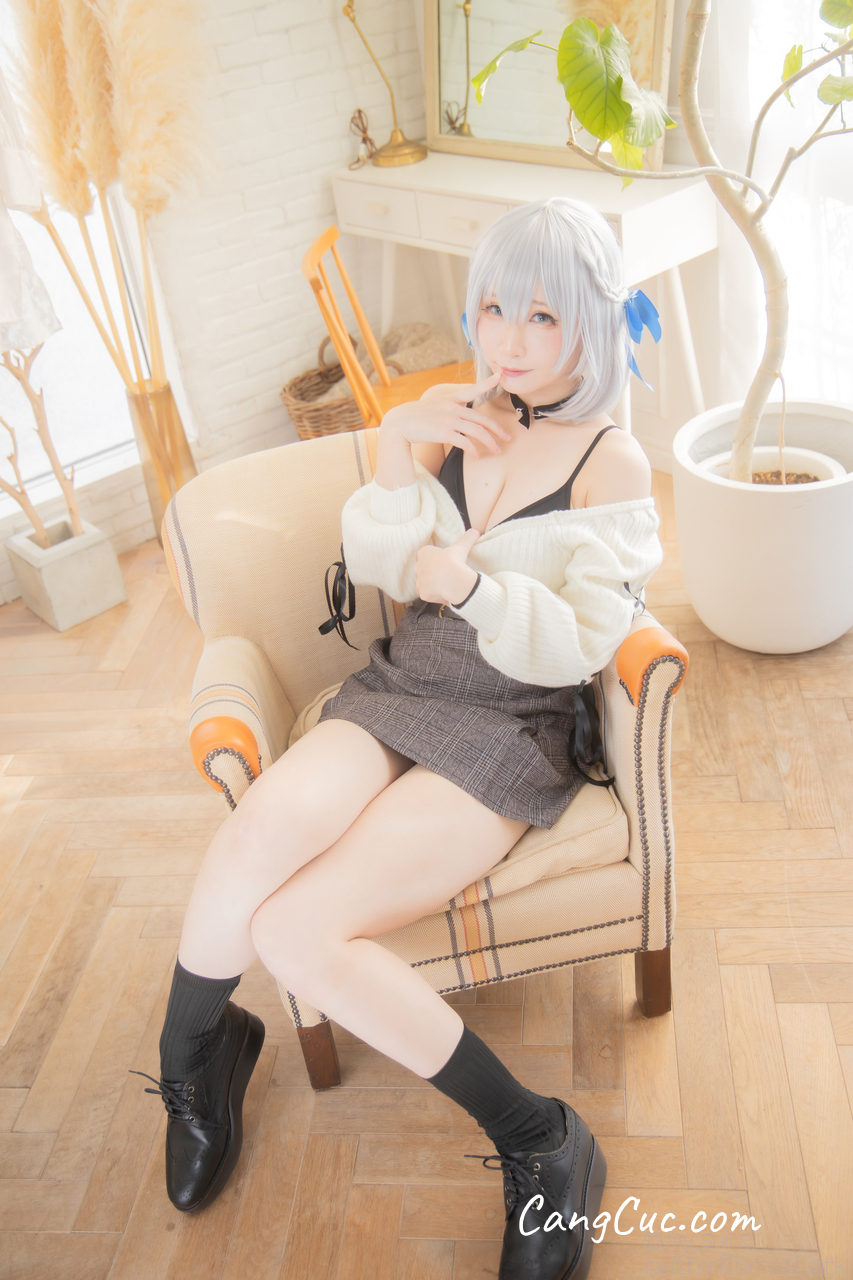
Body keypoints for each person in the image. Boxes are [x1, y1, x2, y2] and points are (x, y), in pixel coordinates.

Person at [138, 196, 663, 1280]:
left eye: (541, 316)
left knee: (295, 931)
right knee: (257, 831)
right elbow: (381, 564)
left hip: (512, 718)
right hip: (408, 677)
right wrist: (393, 445)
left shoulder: (612, 463)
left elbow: (579, 643)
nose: (508, 339)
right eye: (493, 307)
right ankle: (194, 1061)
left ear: (588, 323)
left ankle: (541, 1139)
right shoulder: (460, 414)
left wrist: (471, 584)